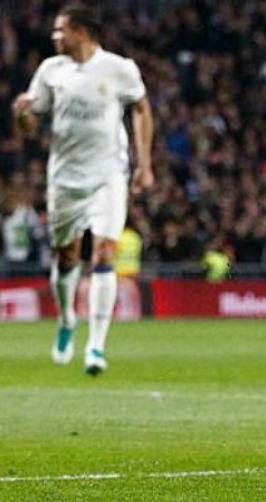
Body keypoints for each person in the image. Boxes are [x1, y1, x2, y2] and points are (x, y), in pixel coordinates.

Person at [12, 3, 154, 375]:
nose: (55, 37)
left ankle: (96, 347)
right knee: (66, 257)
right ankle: (66, 320)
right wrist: (21, 115)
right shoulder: (51, 70)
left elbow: (141, 108)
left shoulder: (119, 69)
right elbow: (29, 127)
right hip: (65, 178)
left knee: (105, 252)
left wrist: (145, 164)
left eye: (61, 30)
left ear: (82, 31)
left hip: (109, 174)